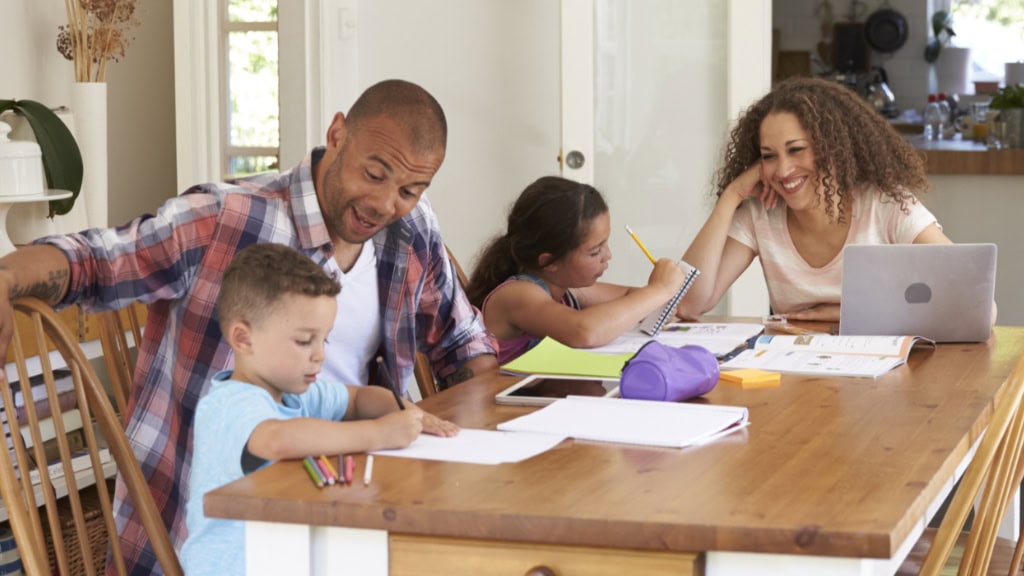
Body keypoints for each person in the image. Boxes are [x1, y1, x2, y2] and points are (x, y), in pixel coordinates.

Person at [0, 79, 496, 574]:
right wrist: (4, 279)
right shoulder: (228, 218)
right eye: (374, 174)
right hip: (206, 540)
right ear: (338, 133)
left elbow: (461, 339)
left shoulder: (411, 229)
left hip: (350, 509)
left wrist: (489, 443)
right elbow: (96, 261)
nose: (386, 204)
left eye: (410, 190)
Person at [179, 243, 457, 576]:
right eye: (304, 341)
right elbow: (277, 439)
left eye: (323, 341)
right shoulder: (230, 404)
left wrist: (402, 408)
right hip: (236, 566)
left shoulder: (295, 394)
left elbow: (355, 399)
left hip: (290, 554)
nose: (319, 356)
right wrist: (378, 433)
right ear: (244, 339)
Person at [676, 76, 964, 323]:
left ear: (833, 148)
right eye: (769, 156)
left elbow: (973, 303)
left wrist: (852, 311)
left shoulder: (885, 205)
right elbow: (688, 304)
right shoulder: (760, 214)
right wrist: (731, 196)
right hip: (797, 375)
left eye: (796, 150)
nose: (783, 170)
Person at [465, 176, 686, 364]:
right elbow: (585, 330)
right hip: (500, 412)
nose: (608, 256)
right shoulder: (516, 295)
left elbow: (630, 298)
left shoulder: (565, 289)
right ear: (550, 262)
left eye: (605, 244)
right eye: (595, 251)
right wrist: (658, 290)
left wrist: (657, 303)